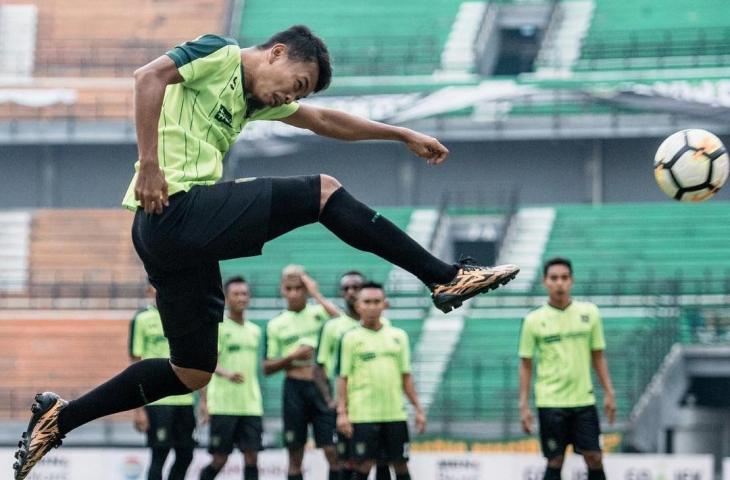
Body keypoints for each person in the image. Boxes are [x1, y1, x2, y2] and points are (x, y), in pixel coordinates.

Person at [13, 24, 518, 480]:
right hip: (172, 208)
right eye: (295, 82)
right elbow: (148, 76)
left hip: (173, 241)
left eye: (296, 95)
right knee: (323, 191)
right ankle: (443, 277)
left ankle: (61, 416)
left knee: (191, 370)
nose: (290, 96)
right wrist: (149, 163)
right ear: (277, 52)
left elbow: (324, 121)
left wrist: (400, 133)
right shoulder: (220, 53)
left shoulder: (256, 100)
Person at [518, 257, 616, 480]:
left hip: (584, 401)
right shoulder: (533, 320)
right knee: (555, 459)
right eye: (554, 278)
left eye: (564, 278)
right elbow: (525, 364)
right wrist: (523, 404)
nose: (559, 283)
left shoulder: (590, 313)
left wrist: (609, 392)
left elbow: (598, 356)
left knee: (594, 456)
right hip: (550, 402)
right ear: (545, 281)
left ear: (572, 281)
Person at [336, 282, 425, 480]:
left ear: (385, 304)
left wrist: (418, 408)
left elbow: (406, 376)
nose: (372, 306)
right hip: (363, 415)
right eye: (367, 302)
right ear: (358, 306)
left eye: (377, 301)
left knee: (400, 464)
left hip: (395, 414)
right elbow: (343, 378)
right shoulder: (350, 338)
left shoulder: (398, 336)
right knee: (364, 465)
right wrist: (342, 413)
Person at [263, 265, 340, 480]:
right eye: (289, 288)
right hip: (294, 390)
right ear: (282, 290)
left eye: (299, 288)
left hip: (321, 387)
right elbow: (267, 367)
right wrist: (292, 357)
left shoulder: (319, 313)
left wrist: (316, 293)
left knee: (332, 451)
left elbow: (345, 324)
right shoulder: (276, 324)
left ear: (306, 288)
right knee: (295, 455)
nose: (294, 293)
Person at [313, 271, 391, 480]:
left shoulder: (384, 327)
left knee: (381, 459)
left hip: (377, 407)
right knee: (344, 460)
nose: (351, 292)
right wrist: (331, 400)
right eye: (346, 288)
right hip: (347, 406)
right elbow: (318, 367)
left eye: (355, 287)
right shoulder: (332, 327)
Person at [129, 284, 196, 480]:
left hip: (185, 398)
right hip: (157, 400)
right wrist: (138, 408)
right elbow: (135, 365)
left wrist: (205, 402)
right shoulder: (142, 319)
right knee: (160, 454)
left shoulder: (184, 317)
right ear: (149, 290)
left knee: (186, 453)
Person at [198, 276, 263, 480]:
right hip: (223, 405)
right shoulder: (219, 328)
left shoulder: (255, 330)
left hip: (251, 405)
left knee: (252, 458)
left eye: (244, 294)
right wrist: (205, 401)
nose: (241, 298)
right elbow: (206, 365)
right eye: (236, 294)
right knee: (220, 459)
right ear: (226, 298)